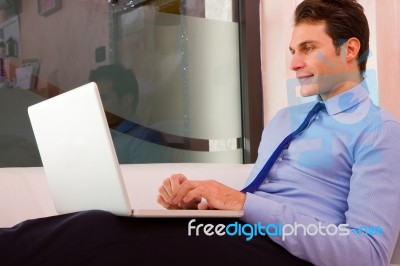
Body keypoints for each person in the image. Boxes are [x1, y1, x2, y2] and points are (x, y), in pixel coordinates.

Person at [0, 1, 399, 265]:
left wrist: (240, 203)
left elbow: (369, 253)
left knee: (99, 232)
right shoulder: (283, 121)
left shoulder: (380, 132)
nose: (294, 63)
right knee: (97, 220)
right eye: (292, 50)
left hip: (288, 253)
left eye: (308, 48)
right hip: (242, 237)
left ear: (350, 50)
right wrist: (200, 203)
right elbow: (256, 203)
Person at [88, 64, 170, 163]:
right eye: (94, 99)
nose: (96, 104)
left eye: (103, 98)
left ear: (127, 100)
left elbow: (144, 178)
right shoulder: (97, 138)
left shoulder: (148, 139)